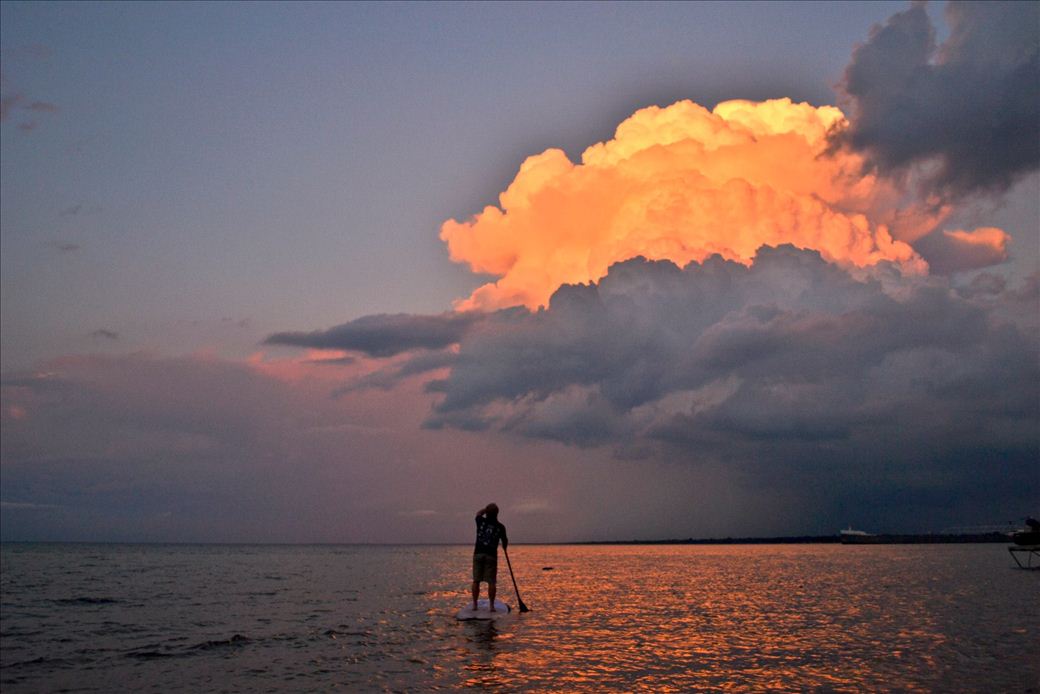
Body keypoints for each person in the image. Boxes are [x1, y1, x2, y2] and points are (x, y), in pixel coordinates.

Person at [472, 503, 508, 611]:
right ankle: (491, 606)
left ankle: (475, 605)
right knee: (491, 582)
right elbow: (505, 541)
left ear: (487, 513)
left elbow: (478, 513)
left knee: (476, 580)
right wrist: (505, 547)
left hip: (478, 554)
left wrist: (485, 510)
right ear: (497, 514)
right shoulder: (500, 527)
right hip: (491, 556)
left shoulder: (481, 521)